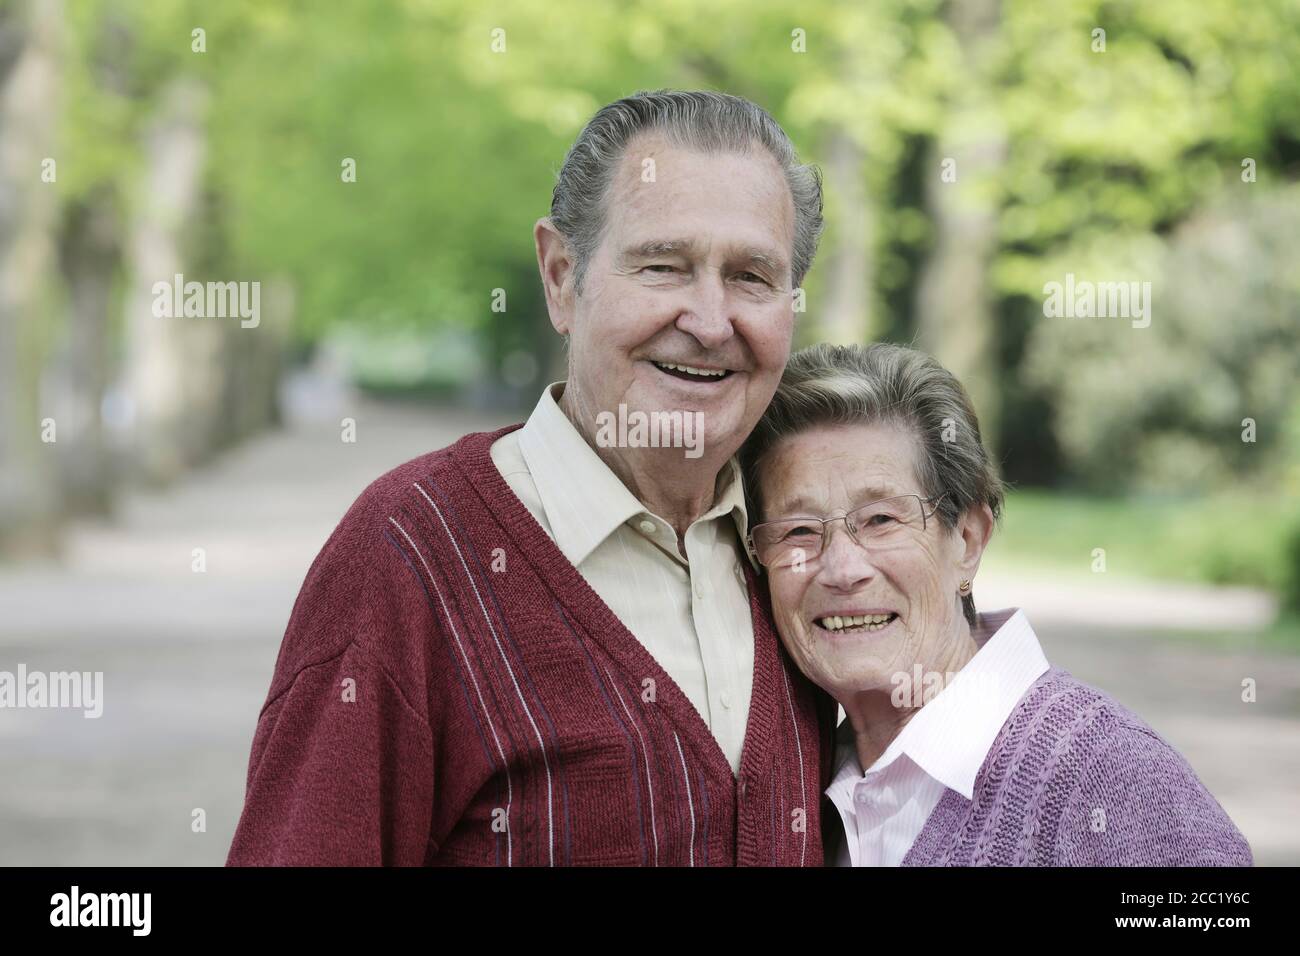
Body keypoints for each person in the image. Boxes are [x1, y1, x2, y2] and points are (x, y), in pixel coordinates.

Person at [226, 90, 837, 866]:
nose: (711, 321)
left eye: (751, 276)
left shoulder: (805, 555)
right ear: (560, 277)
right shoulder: (407, 555)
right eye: (662, 266)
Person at [740, 342, 1253, 866]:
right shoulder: (799, 788)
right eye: (798, 530)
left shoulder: (1113, 778)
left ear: (967, 539)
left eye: (882, 520)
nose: (843, 569)